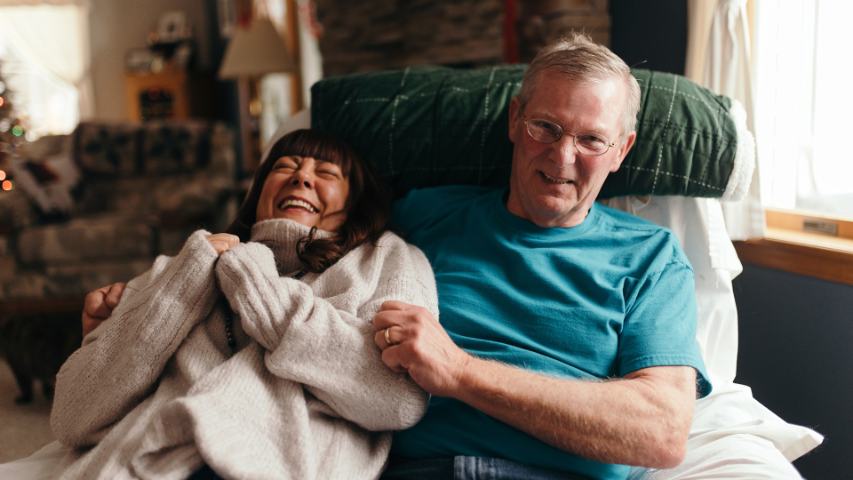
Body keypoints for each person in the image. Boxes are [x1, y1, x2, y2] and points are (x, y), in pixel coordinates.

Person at [81, 35, 711, 480]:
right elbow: (296, 249)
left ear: (622, 150)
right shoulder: (423, 215)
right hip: (402, 468)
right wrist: (140, 301)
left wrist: (460, 372)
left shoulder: (651, 257)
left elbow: (659, 432)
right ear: (515, 119)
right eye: (545, 127)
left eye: (591, 139)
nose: (562, 156)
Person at [7, 129, 439, 479]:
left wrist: (256, 283)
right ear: (259, 191)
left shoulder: (385, 259)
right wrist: (184, 284)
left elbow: (396, 396)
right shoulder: (188, 263)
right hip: (140, 464)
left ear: (352, 203)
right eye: (285, 166)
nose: (301, 178)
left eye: (325, 172)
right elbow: (72, 416)